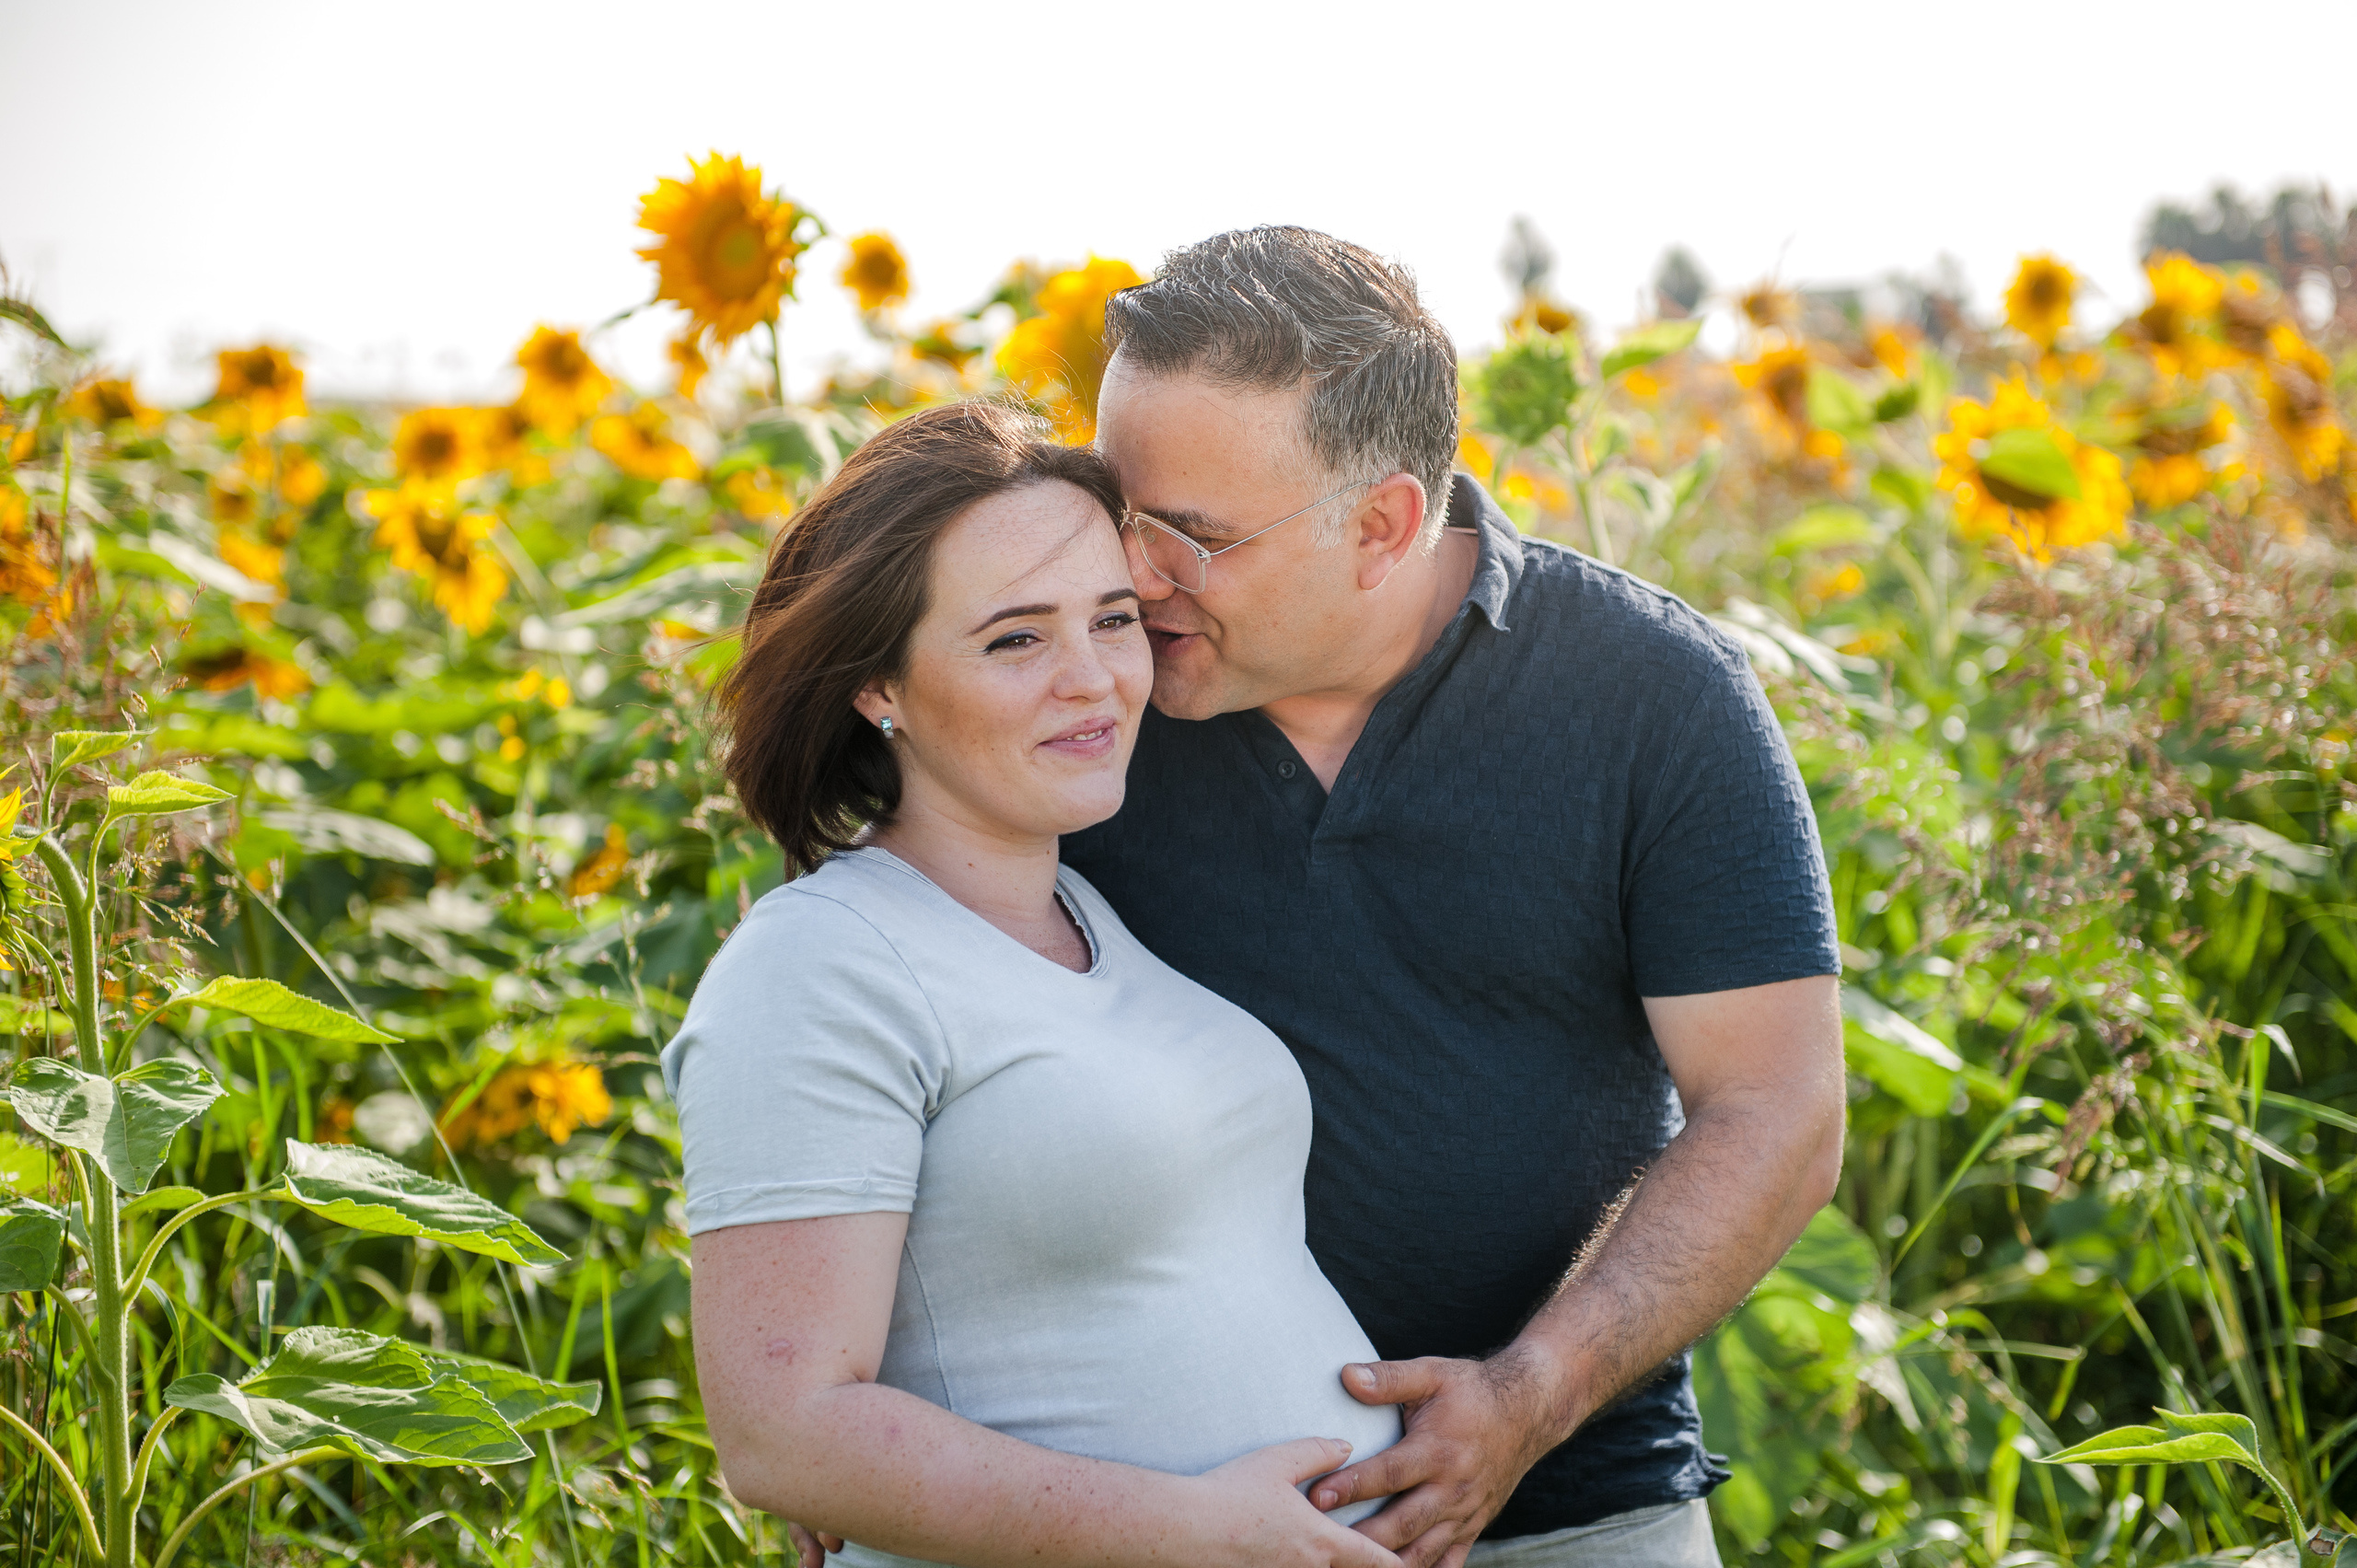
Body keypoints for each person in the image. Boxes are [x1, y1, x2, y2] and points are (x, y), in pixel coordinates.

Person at [1060, 226, 1847, 1568]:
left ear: (1383, 525)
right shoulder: (1077, 694)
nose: (1134, 576)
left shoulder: (1653, 698)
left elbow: (1777, 1110)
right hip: (1148, 1511)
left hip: (1578, 1502)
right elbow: (894, 1001)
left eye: (1190, 535)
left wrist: (1529, 1394)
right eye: (1112, 508)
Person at [665, 401, 1404, 1568]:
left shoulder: (1091, 914)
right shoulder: (820, 963)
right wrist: (1196, 1533)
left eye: (1112, 620)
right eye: (1015, 638)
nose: (1093, 681)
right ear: (879, 686)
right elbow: (783, 1432)